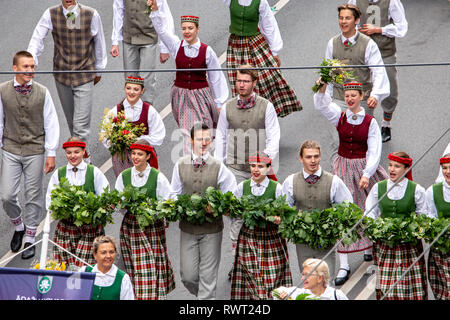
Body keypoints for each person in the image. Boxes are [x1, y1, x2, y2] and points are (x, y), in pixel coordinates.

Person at [314, 81, 388, 286]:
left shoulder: (370, 122)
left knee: (367, 207)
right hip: (343, 166)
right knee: (344, 213)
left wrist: (367, 173)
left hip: (363, 166)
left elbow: (374, 149)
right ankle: (344, 265)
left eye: (353, 95)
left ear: (361, 96)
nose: (349, 99)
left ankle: (368, 248)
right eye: (346, 96)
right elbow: (321, 105)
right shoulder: (340, 115)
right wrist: (321, 88)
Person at [214, 65, 280, 271]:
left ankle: (262, 258)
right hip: (235, 169)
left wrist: (265, 162)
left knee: (261, 214)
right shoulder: (227, 107)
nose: (241, 85)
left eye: (245, 81)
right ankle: (238, 263)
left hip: (258, 171)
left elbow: (273, 136)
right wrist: (219, 166)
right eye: (239, 81)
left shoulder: (266, 106)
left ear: (254, 83)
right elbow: (221, 137)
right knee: (237, 216)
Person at [27, 0, 107, 159]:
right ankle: (83, 152)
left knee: (81, 126)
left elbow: (99, 42)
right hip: (62, 77)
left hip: (84, 75)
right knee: (72, 123)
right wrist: (31, 61)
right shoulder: (50, 14)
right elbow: (37, 38)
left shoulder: (91, 14)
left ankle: (83, 164)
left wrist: (99, 69)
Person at [147, 0, 229, 154]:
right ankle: (190, 164)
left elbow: (215, 76)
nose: (187, 31)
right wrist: (156, 11)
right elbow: (162, 31)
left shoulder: (207, 51)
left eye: (190, 28)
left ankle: (206, 162)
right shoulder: (176, 45)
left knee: (204, 130)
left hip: (201, 96)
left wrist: (220, 102)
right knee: (188, 132)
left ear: (197, 29)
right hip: (182, 96)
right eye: (184, 29)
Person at [0, 51, 60, 260]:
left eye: (32, 66)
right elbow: (0, 120)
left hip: (35, 149)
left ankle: (31, 237)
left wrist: (51, 153)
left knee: (33, 194)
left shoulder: (43, 92)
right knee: (7, 195)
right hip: (11, 148)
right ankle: (19, 226)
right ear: (15, 68)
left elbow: (51, 123)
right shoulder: (3, 91)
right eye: (26, 67)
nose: (30, 70)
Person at [171, 123, 237, 300]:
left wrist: (217, 206)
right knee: (188, 276)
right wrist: (178, 206)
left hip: (212, 230)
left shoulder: (219, 167)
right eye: (200, 139)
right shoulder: (180, 165)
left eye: (208, 139)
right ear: (191, 141)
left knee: (208, 279)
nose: (204, 142)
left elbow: (230, 194)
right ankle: (204, 296)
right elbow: (174, 194)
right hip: (188, 228)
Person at [282, 140, 353, 281]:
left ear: (320, 157)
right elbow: (285, 208)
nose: (313, 160)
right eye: (308, 157)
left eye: (316, 156)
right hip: (302, 243)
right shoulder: (290, 181)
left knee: (326, 283)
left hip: (326, 242)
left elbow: (347, 206)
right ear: (301, 158)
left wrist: (335, 225)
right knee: (308, 283)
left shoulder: (334, 181)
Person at [219, 0, 302, 117]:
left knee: (267, 78)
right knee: (240, 83)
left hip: (255, 44)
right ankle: (246, 116)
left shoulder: (260, 2)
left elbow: (268, 23)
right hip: (236, 47)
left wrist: (274, 50)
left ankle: (269, 112)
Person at [115, 140, 175, 300]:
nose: (135, 157)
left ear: (148, 156)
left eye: (139, 154)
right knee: (136, 268)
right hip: (131, 226)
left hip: (152, 227)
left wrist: (155, 209)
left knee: (151, 267)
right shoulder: (124, 176)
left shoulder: (157, 177)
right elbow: (117, 200)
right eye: (133, 153)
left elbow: (169, 200)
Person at [365, 152, 430, 300]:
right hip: (385, 245)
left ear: (406, 169)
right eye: (390, 165)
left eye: (397, 166)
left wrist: (414, 230)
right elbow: (370, 211)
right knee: (386, 286)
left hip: (409, 247)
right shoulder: (378, 188)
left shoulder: (416, 189)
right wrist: (375, 227)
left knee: (411, 287)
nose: (392, 169)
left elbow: (423, 216)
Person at [231, 152, 292, 300]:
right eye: (253, 166)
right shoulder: (242, 187)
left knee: (272, 277)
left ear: (268, 168)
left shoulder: (276, 187)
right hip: (249, 237)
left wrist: (279, 219)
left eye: (260, 166)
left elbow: (286, 212)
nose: (256, 169)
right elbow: (234, 213)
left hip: (271, 238)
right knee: (252, 275)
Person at [348, 0, 408, 142]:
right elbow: (349, 22)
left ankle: (386, 124)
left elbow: (402, 27)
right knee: (363, 88)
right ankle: (368, 123)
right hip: (363, 52)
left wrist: (378, 30)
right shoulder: (355, 1)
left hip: (385, 51)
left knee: (390, 90)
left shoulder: (391, 1)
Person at [46, 137, 110, 267]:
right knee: (64, 266)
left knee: (84, 267)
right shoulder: (59, 173)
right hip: (66, 228)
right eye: (69, 152)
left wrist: (95, 210)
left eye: (76, 152)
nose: (72, 156)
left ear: (83, 151)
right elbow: (50, 199)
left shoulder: (94, 172)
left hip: (90, 228)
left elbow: (105, 196)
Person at [324, 4, 390, 116]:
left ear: (356, 20)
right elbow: (328, 72)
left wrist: (375, 95)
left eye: (347, 18)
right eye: (341, 18)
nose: (343, 21)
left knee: (362, 132)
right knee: (342, 132)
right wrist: (327, 97)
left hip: (362, 99)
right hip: (339, 98)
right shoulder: (332, 43)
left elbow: (379, 72)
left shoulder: (369, 44)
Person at [111, 0, 174, 104]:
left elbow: (164, 16)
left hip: (148, 37)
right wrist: (115, 42)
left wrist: (164, 48)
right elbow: (118, 11)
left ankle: (146, 111)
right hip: (129, 38)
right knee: (130, 79)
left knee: (146, 79)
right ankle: (132, 111)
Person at [101, 76, 165, 177]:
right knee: (126, 188)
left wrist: (136, 140)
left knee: (149, 185)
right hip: (122, 158)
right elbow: (105, 135)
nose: (131, 92)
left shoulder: (149, 111)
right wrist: (118, 142)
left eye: (136, 89)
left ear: (142, 91)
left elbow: (158, 136)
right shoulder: (115, 111)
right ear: (124, 89)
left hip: (143, 156)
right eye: (128, 88)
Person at [425, 154, 450, 300]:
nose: (447, 172)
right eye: (445, 168)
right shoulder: (432, 191)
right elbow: (429, 215)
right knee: (443, 289)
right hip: (441, 248)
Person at [79, 235, 135, 300]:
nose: (108, 256)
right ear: (95, 254)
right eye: (103, 252)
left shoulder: (123, 279)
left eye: (111, 252)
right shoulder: (84, 272)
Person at [274, 258, 348, 300]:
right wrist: (283, 295)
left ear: (320, 278)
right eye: (303, 274)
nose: (302, 278)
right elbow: (277, 291)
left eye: (307, 275)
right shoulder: (300, 294)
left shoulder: (337, 295)